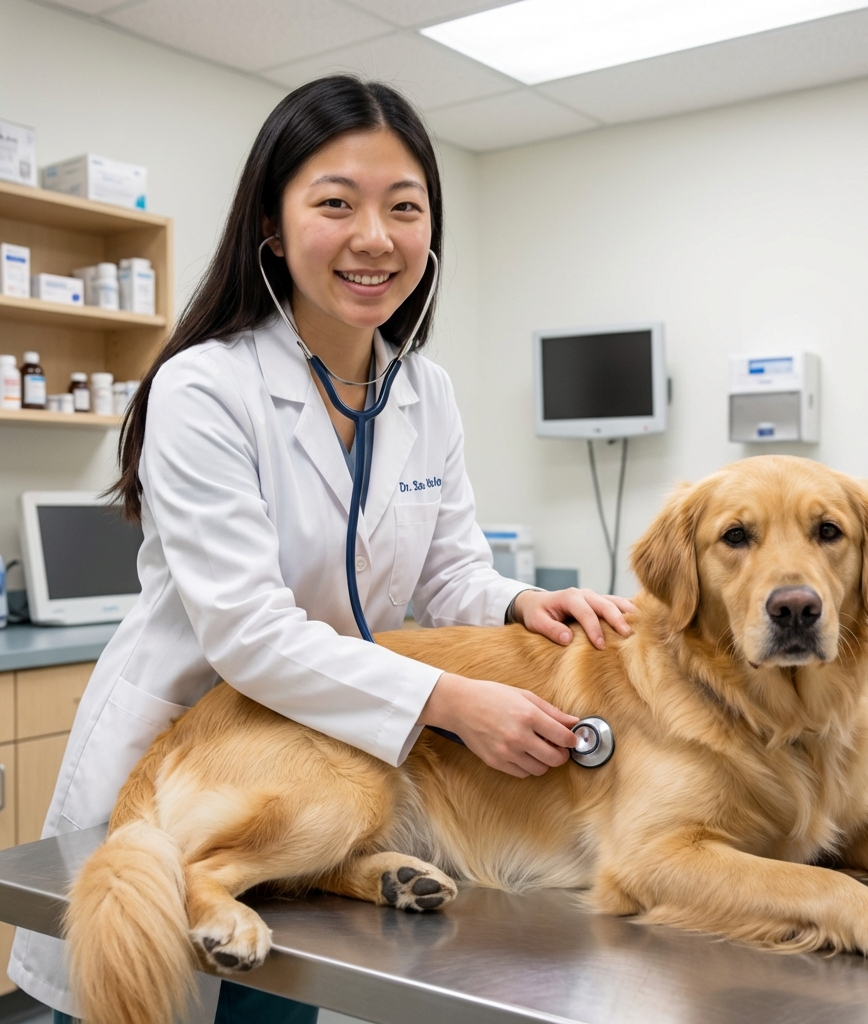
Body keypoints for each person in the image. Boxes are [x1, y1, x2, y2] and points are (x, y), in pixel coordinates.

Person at [8, 76, 634, 1023]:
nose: (374, 237)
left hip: (329, 770)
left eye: (404, 207)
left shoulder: (425, 392)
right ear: (272, 222)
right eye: (335, 203)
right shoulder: (204, 388)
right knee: (134, 988)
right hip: (204, 753)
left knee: (277, 999)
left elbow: (447, 568)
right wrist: (451, 702)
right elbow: (250, 635)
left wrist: (514, 604)